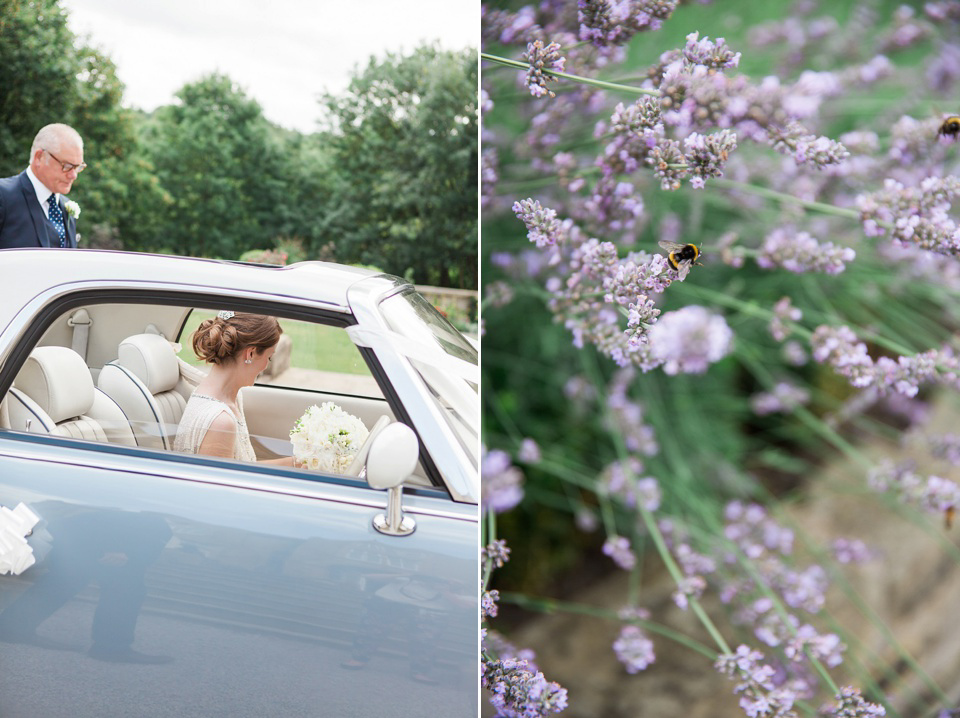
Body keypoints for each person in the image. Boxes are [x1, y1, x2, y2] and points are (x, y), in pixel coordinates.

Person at [174, 311, 294, 465]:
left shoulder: (233, 396)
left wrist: (295, 463)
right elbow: (224, 487)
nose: (266, 365)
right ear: (250, 353)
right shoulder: (220, 421)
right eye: (269, 357)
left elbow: (244, 468)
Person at [0, 123, 86, 249]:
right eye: (67, 166)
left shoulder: (66, 207)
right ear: (39, 157)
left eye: (78, 167)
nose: (73, 175)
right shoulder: (3, 196)